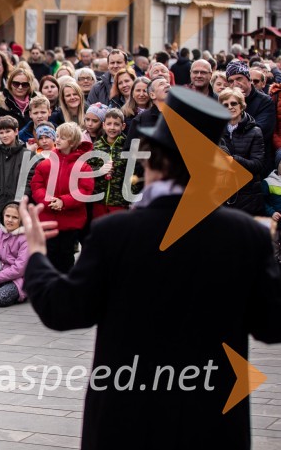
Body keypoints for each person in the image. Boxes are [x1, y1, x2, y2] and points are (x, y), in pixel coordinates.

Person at [18, 85, 281, 450]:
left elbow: (63, 309)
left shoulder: (116, 233)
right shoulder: (246, 237)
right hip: (212, 423)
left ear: (151, 159)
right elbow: (272, 326)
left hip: (127, 419)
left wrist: (35, 256)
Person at [30, 122, 94, 272]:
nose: (57, 140)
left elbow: (85, 190)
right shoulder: (45, 164)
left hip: (70, 222)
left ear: (72, 142)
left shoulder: (83, 167)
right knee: (48, 256)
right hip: (48, 219)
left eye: (62, 138)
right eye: (57, 136)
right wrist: (49, 201)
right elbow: (36, 186)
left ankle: (65, 290)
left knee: (66, 257)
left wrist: (63, 201)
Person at [0, 116, 35, 232]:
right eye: (1, 132)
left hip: (19, 207)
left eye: (8, 131)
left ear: (16, 131)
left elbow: (30, 179)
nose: (4, 135)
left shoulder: (28, 155)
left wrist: (21, 197)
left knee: (19, 243)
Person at [219, 88, 265, 216]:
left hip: (248, 195)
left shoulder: (255, 131)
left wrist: (233, 160)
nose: (230, 107)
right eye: (225, 105)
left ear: (242, 105)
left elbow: (257, 165)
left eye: (234, 103)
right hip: (223, 194)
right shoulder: (216, 130)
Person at [87, 108, 129, 219]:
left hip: (119, 201)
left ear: (123, 126)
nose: (112, 128)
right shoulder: (96, 146)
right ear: (104, 125)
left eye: (116, 124)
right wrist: (100, 170)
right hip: (99, 200)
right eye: (109, 124)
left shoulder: (127, 147)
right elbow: (86, 170)